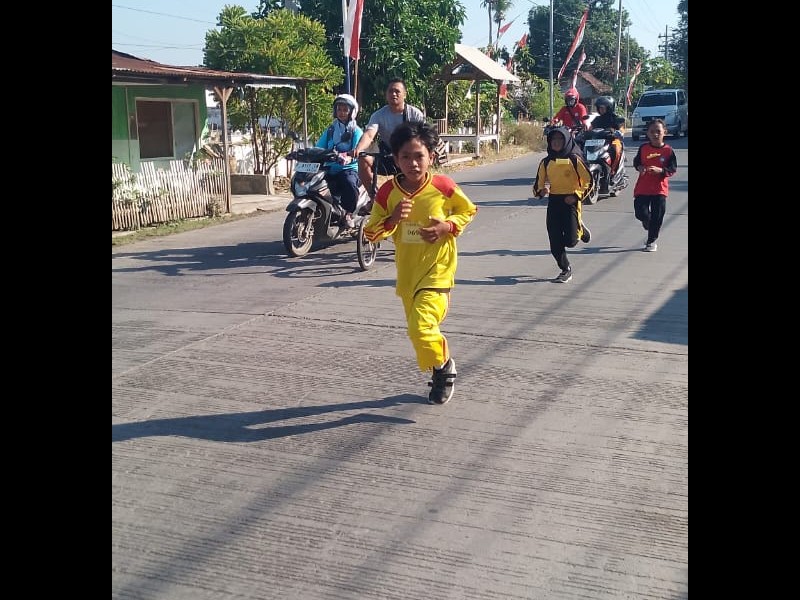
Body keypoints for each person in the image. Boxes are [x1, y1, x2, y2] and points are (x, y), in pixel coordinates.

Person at [363, 121, 477, 405]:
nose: (413, 163)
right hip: (408, 277)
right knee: (418, 334)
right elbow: (371, 232)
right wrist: (392, 219)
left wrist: (447, 226)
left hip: (438, 273)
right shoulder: (387, 192)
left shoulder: (443, 186)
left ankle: (444, 368)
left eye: (419, 156)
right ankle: (439, 367)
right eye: (405, 157)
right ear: (395, 159)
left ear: (431, 157)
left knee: (420, 328)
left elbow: (468, 210)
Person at [532, 126, 592, 283]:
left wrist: (576, 196)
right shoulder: (546, 162)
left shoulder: (574, 159)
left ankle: (579, 229)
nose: (556, 142)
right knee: (555, 241)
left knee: (571, 242)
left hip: (570, 201)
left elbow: (589, 181)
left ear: (566, 140)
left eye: (560, 139)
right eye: (553, 139)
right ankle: (565, 269)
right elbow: (537, 186)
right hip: (554, 202)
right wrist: (542, 191)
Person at [353, 78, 425, 194]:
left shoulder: (415, 114)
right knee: (363, 158)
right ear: (386, 94)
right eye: (390, 91)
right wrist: (359, 149)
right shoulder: (378, 115)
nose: (393, 94)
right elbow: (369, 134)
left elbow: (423, 138)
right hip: (386, 152)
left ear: (405, 94)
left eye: (397, 91)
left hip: (408, 155)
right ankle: (375, 197)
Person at [315, 93, 363, 227]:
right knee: (316, 184)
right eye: (339, 109)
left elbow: (357, 150)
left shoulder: (356, 131)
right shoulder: (330, 130)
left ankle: (348, 213)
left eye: (345, 110)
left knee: (349, 182)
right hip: (330, 168)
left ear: (351, 112)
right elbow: (319, 147)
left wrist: (348, 156)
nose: (341, 112)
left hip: (348, 168)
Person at [632, 118, 677, 252]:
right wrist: (639, 167)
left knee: (657, 216)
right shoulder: (643, 148)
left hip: (659, 189)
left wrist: (661, 171)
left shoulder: (668, 151)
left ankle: (651, 241)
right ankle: (647, 221)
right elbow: (637, 162)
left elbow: (672, 169)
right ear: (647, 133)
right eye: (652, 131)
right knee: (641, 213)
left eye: (658, 131)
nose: (655, 134)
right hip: (643, 188)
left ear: (665, 132)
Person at [590, 96, 626, 185]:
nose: (601, 109)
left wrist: (619, 133)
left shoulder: (615, 118)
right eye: (599, 108)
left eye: (603, 107)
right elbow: (590, 129)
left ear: (609, 108)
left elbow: (621, 128)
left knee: (616, 149)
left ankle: (613, 172)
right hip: (598, 142)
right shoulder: (596, 119)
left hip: (612, 140)